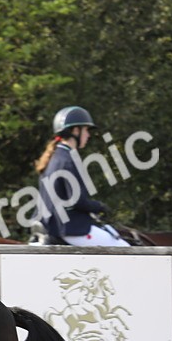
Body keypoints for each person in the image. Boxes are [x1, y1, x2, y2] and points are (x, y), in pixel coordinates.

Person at [35, 106, 129, 247]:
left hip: (51, 223)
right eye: (86, 130)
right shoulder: (68, 160)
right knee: (125, 248)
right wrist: (99, 206)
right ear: (75, 131)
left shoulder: (55, 157)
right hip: (69, 227)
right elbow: (77, 201)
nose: (88, 135)